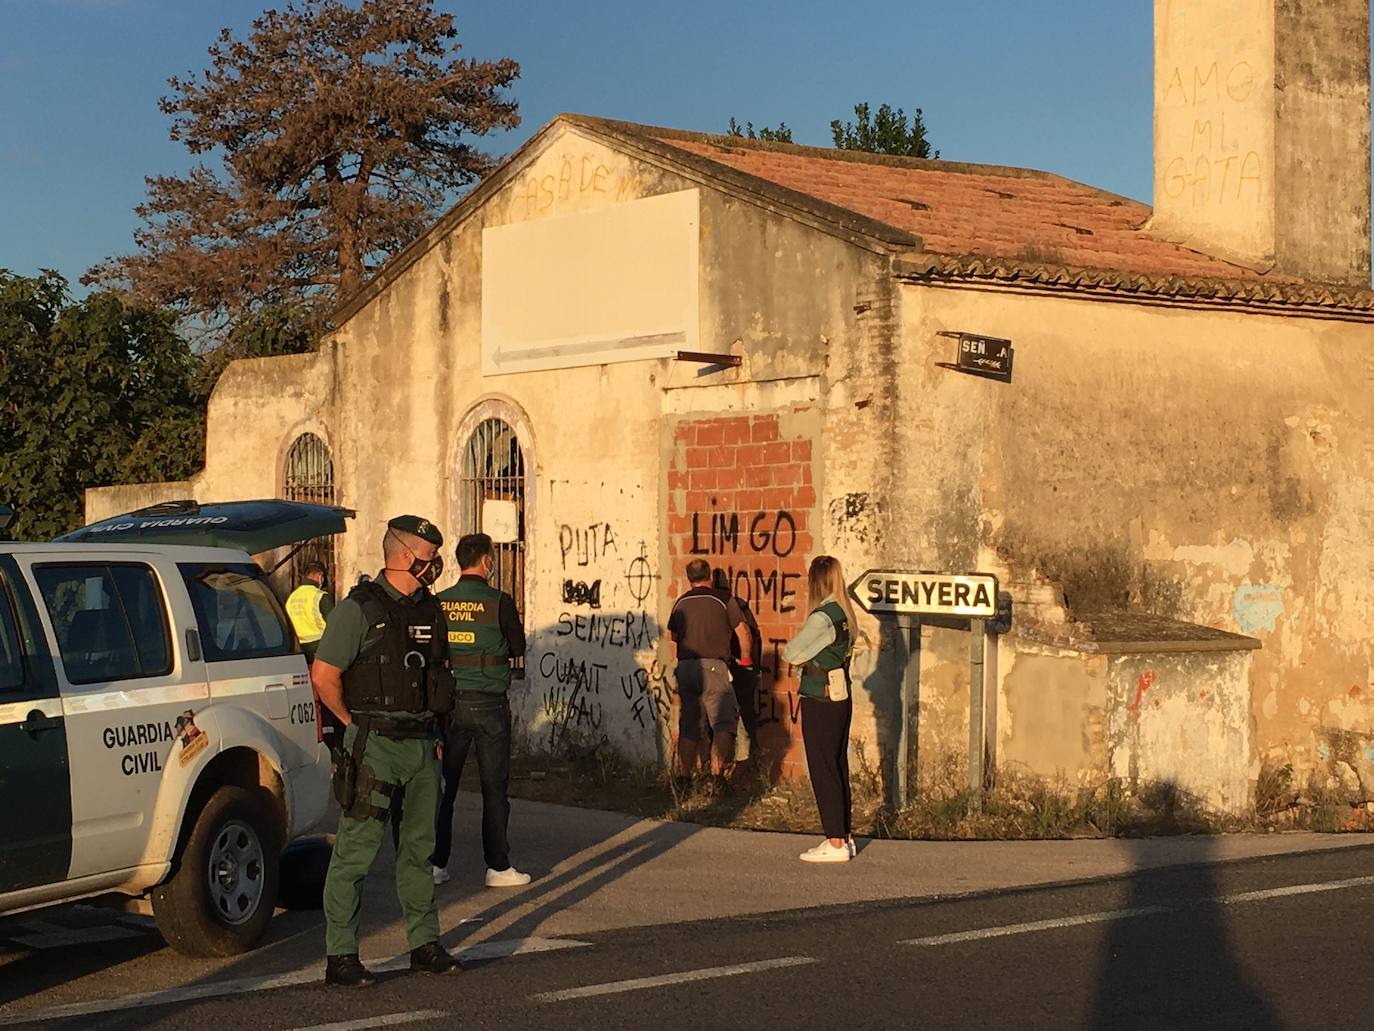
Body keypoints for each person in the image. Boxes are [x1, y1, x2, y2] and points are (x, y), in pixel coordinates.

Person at [311, 515, 461, 987]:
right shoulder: (358, 609)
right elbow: (323, 676)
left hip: (422, 744)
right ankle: (341, 956)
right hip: (374, 745)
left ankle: (424, 944)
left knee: (419, 852)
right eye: (429, 559)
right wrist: (354, 725)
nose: (435, 566)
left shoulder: (431, 611)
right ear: (403, 556)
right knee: (355, 853)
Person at [431, 532, 530, 889]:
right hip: (489, 704)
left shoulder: (439, 602)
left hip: (453, 705)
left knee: (445, 786)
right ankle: (498, 867)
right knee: (493, 787)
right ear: (487, 561)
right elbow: (518, 646)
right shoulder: (499, 601)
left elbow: (434, 652)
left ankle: (436, 863)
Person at [783, 555, 858, 863]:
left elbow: (792, 652)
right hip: (841, 696)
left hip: (820, 698)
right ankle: (844, 835)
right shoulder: (844, 613)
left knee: (822, 767)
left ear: (816, 580)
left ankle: (835, 842)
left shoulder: (822, 617)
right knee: (838, 765)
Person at [668, 559, 753, 780]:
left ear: (689, 579)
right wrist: (746, 661)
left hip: (686, 667)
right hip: (714, 666)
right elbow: (743, 632)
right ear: (711, 577)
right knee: (723, 722)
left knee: (689, 726)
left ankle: (684, 777)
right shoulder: (723, 599)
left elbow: (674, 637)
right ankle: (717, 775)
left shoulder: (680, 603)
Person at [712, 568, 762, 758]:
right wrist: (748, 664)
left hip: (725, 670)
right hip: (738, 669)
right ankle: (740, 764)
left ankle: (725, 767)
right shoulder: (735, 604)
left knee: (725, 723)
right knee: (742, 723)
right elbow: (750, 635)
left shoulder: (715, 605)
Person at [286, 560, 334, 664]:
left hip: (298, 648)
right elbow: (334, 624)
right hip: (320, 648)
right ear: (320, 576)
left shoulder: (292, 597)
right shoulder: (320, 596)